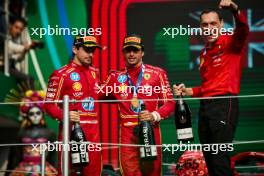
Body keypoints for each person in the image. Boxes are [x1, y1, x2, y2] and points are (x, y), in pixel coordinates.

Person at [173, 0, 249, 175]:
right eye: (205, 24)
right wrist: (187, 91)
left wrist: (235, 10)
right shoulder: (204, 53)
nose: (209, 28)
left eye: (213, 23)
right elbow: (207, 87)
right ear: (200, 28)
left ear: (221, 24)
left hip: (224, 104)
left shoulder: (232, 43)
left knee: (219, 157)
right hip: (205, 108)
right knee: (209, 159)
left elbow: (243, 29)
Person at [99, 34, 175, 176]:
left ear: (142, 52)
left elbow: (170, 103)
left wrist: (154, 115)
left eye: (135, 50)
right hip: (127, 132)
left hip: (150, 129)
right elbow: (94, 95)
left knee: (152, 172)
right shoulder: (115, 77)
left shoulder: (157, 74)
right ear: (123, 53)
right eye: (128, 50)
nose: (131, 54)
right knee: (130, 173)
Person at [44, 35, 102, 175]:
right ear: (75, 49)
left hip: (93, 133)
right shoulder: (61, 74)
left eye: (93, 50)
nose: (90, 54)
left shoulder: (95, 72)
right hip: (71, 131)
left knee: (93, 172)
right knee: (68, 172)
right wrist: (65, 115)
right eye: (87, 49)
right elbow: (48, 105)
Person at [8, 17, 40, 88]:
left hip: (10, 67)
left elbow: (18, 59)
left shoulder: (16, 40)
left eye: (20, 29)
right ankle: (32, 98)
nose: (18, 31)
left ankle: (29, 97)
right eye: (16, 27)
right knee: (29, 79)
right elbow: (11, 47)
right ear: (10, 26)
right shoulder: (5, 37)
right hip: (4, 68)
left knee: (27, 79)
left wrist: (25, 50)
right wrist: (26, 47)